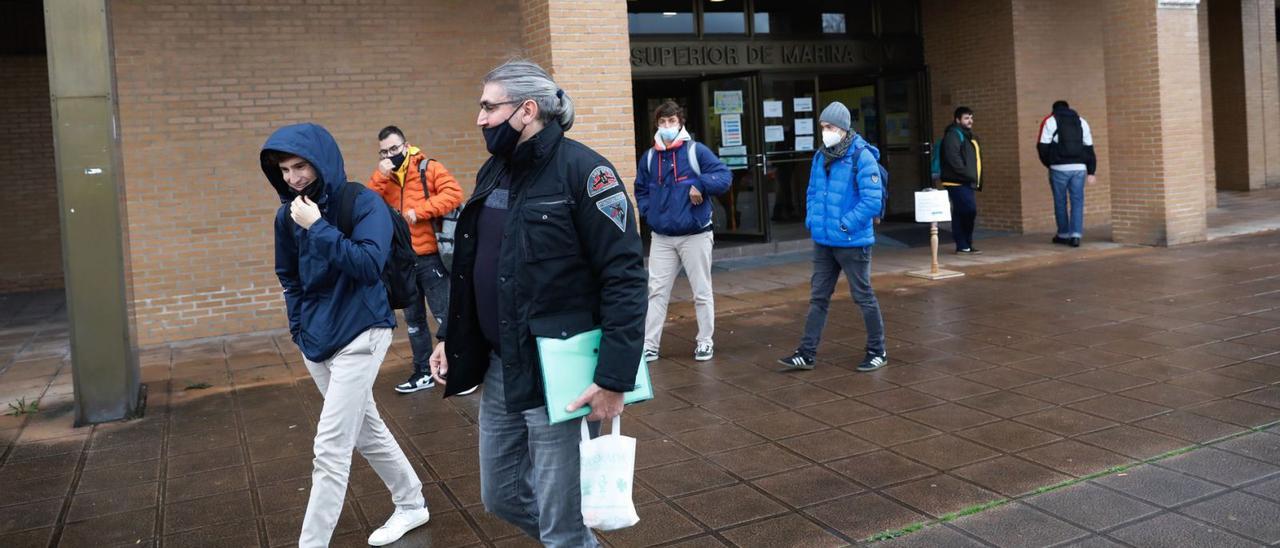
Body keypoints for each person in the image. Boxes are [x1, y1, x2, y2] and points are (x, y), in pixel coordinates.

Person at [428, 60, 646, 547]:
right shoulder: (493, 172)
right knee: (500, 496)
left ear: (527, 110)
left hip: (560, 374)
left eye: (489, 106)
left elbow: (626, 278)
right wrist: (449, 335)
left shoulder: (587, 173)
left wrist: (614, 379)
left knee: (561, 521)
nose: (479, 118)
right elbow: (474, 266)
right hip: (502, 367)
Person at [260, 124, 429, 547]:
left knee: (330, 446)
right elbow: (289, 277)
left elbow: (369, 264)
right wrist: (299, 328)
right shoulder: (288, 215)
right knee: (366, 432)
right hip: (316, 340)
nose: (294, 178)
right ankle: (411, 504)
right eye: (284, 170)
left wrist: (318, 226)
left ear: (321, 161)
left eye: (301, 166)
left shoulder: (363, 202)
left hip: (362, 331)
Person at [778, 102, 887, 373]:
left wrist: (845, 226)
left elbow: (871, 202)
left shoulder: (862, 156)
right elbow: (813, 192)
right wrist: (812, 221)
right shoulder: (820, 156)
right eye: (822, 127)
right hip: (824, 241)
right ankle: (806, 352)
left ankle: (877, 350)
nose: (824, 132)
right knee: (818, 298)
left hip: (852, 242)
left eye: (828, 127)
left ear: (842, 128)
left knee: (863, 297)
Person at [365, 125, 468, 394]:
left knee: (447, 316)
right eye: (384, 151)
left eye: (394, 149)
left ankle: (462, 370)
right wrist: (380, 177)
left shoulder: (428, 168)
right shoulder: (384, 178)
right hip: (402, 263)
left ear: (406, 145)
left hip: (430, 258)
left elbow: (454, 194)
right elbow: (367, 208)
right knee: (414, 322)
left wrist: (418, 212)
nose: (390, 154)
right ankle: (422, 371)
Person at [634, 100, 731, 363]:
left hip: (695, 234)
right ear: (657, 124)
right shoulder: (650, 157)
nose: (667, 126)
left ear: (681, 123)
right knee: (656, 292)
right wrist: (648, 211)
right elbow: (640, 189)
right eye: (663, 122)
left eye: (672, 121)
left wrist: (700, 183)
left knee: (701, 291)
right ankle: (650, 344)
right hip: (662, 237)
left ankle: (704, 341)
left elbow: (724, 177)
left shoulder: (695, 152)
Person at [1037, 100, 1097, 247]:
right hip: (1079, 168)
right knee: (1077, 201)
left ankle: (1063, 234)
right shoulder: (1081, 121)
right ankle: (1076, 236)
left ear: (1054, 110)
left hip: (1058, 168)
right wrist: (1091, 171)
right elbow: (1089, 148)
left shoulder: (1051, 120)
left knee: (1060, 201)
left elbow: (1042, 146)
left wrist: (1050, 163)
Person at [939, 106, 982, 254]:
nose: (970, 120)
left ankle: (964, 245)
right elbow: (953, 158)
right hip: (956, 180)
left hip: (965, 180)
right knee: (969, 210)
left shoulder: (968, 135)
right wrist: (968, 174)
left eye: (971, 117)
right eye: (966, 118)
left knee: (960, 212)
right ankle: (964, 242)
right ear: (957, 120)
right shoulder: (953, 134)